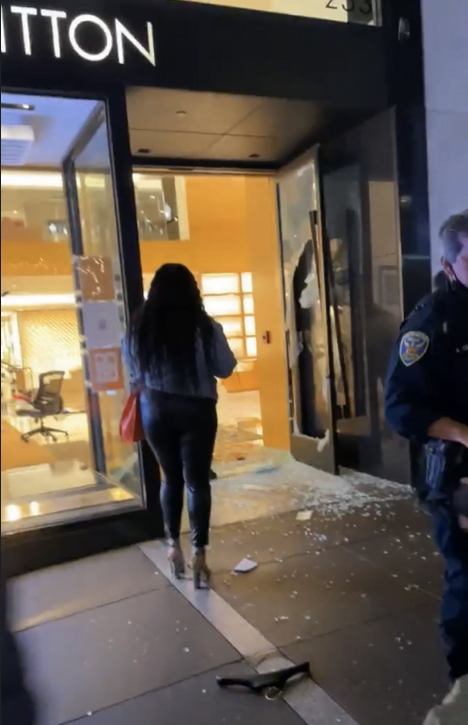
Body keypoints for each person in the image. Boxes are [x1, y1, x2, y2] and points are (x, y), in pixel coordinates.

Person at [385, 211, 468, 683]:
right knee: (467, 583)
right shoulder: (430, 321)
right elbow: (399, 407)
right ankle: (463, 687)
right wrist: (460, 432)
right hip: (457, 474)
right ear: (449, 263)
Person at [125, 264, 236, 587]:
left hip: (155, 410)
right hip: (197, 411)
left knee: (170, 479)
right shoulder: (204, 327)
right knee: (197, 482)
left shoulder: (138, 330)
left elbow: (133, 376)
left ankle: (173, 548)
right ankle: (199, 554)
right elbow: (225, 368)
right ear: (192, 290)